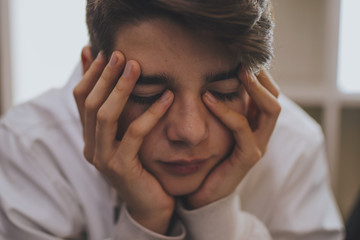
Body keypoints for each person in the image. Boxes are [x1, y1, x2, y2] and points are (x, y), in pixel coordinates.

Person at [0, 0, 344, 239]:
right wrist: (145, 224)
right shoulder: (30, 150)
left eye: (223, 90)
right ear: (92, 74)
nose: (190, 132)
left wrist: (217, 218)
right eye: (146, 95)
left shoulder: (294, 147)